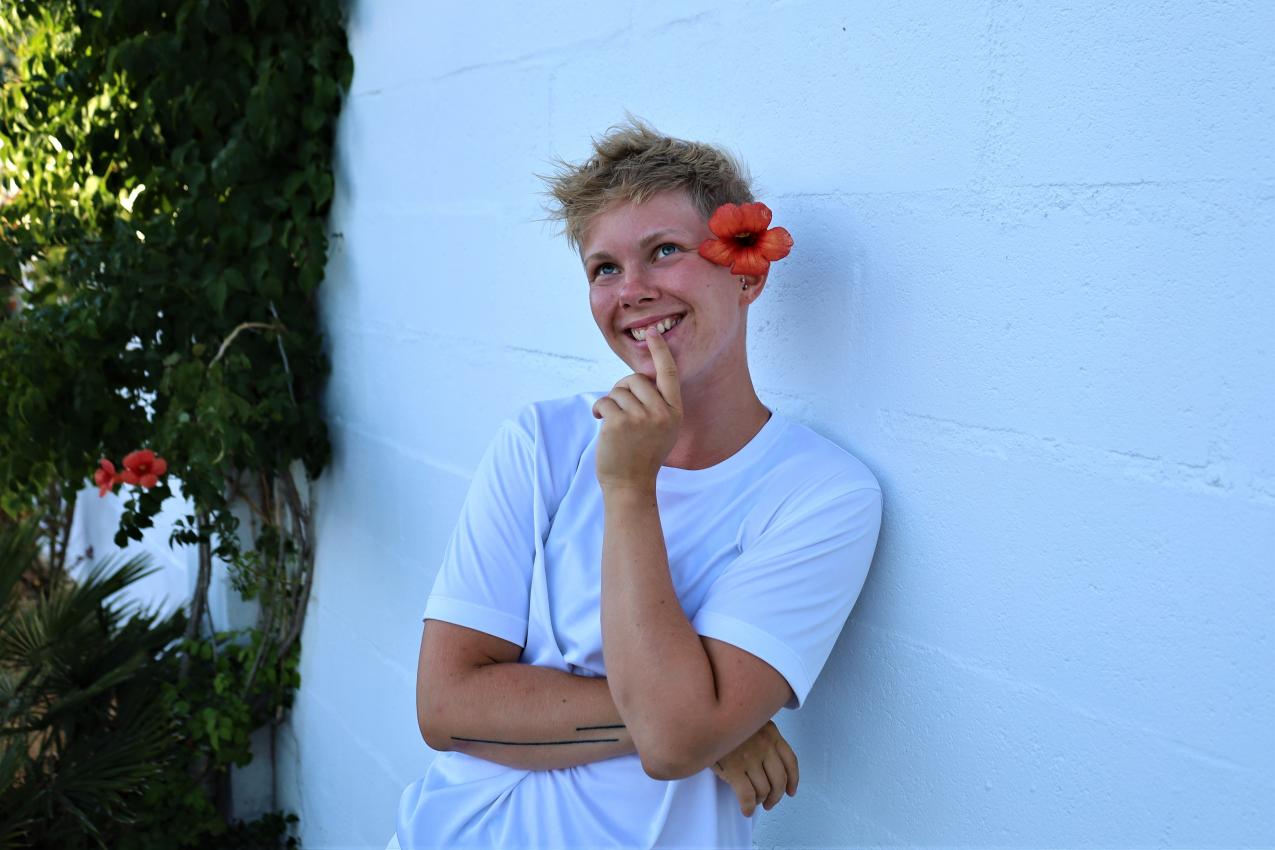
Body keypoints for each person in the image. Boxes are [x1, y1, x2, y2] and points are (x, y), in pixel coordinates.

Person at [394, 118, 884, 849]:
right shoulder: (543, 441)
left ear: (745, 272)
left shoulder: (820, 493)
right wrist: (715, 726)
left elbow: (670, 742)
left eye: (663, 251)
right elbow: (445, 707)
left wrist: (628, 488)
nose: (634, 291)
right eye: (604, 268)